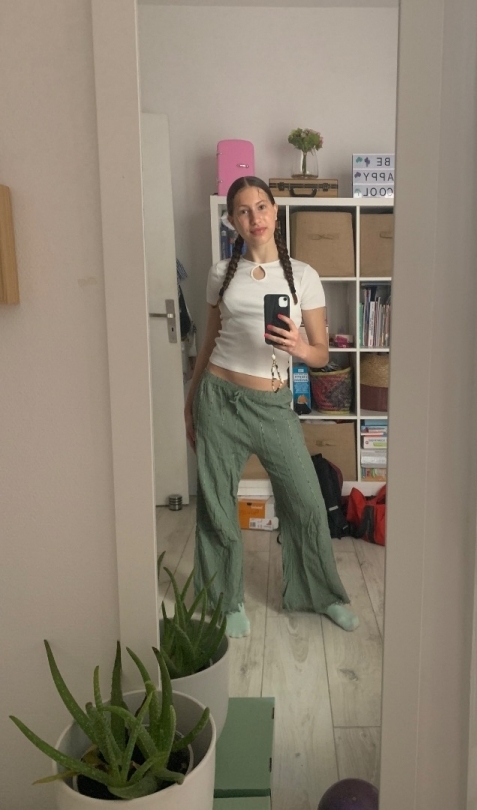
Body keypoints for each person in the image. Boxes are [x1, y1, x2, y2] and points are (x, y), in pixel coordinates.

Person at [184, 175, 359, 638]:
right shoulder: (221, 274)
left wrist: (300, 347)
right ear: (232, 220)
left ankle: (320, 594)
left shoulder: (304, 276)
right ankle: (224, 600)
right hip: (218, 398)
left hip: (273, 403)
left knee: (306, 501)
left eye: (261, 206)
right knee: (216, 504)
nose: (255, 217)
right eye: (243, 210)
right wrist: (190, 399)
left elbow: (321, 353)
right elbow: (209, 341)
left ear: (275, 212)